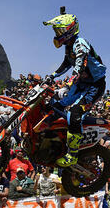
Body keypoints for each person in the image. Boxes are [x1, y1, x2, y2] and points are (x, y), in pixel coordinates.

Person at [43, 10, 106, 167]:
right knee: (54, 105)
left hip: (94, 86)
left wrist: (66, 86)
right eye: (56, 31)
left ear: (70, 29)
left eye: (59, 30)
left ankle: (73, 154)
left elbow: (78, 68)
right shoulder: (68, 45)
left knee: (74, 113)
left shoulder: (80, 44)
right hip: (80, 84)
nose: (57, 34)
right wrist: (52, 76)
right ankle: (55, 139)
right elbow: (66, 64)